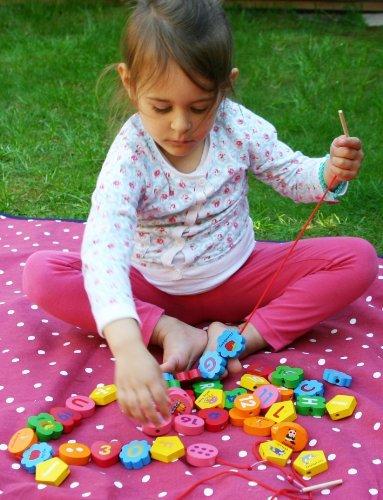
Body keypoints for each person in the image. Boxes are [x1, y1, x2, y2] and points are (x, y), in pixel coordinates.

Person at [23, 0, 377, 427]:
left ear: (225, 88)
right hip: (152, 289)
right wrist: (131, 345)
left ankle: (234, 341)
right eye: (161, 107)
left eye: (198, 107)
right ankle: (171, 329)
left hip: (239, 277)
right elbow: (104, 248)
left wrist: (328, 172)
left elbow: (291, 175)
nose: (180, 126)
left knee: (357, 257)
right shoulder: (130, 155)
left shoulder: (238, 126)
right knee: (41, 273)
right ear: (130, 83)